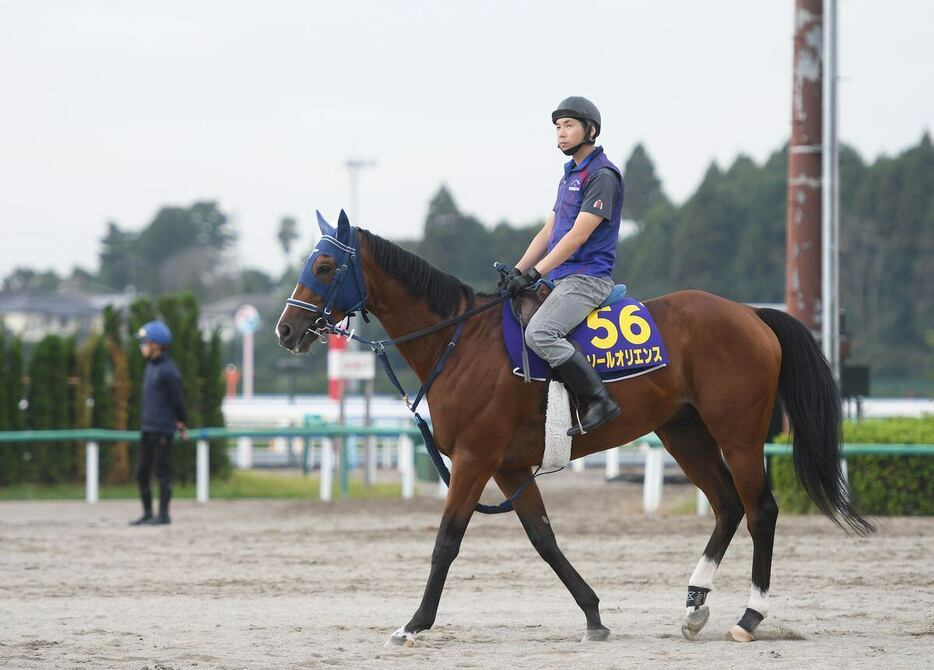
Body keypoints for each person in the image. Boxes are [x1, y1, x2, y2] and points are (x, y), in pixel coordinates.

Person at [506, 96, 624, 436]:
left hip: (587, 279)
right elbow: (549, 231)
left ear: (592, 130)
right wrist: (517, 270)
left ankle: (600, 400)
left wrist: (534, 273)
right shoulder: (570, 174)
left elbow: (578, 236)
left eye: (569, 125)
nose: (561, 133)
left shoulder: (602, 175)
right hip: (560, 277)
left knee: (540, 332)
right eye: (558, 127)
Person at [130, 320, 188, 525]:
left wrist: (181, 422)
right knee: (141, 473)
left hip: (163, 429)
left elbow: (178, 400)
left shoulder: (169, 370)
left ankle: (163, 515)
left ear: (156, 344)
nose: (142, 346)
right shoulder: (150, 367)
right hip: (148, 427)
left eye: (144, 342)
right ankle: (147, 513)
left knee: (162, 473)